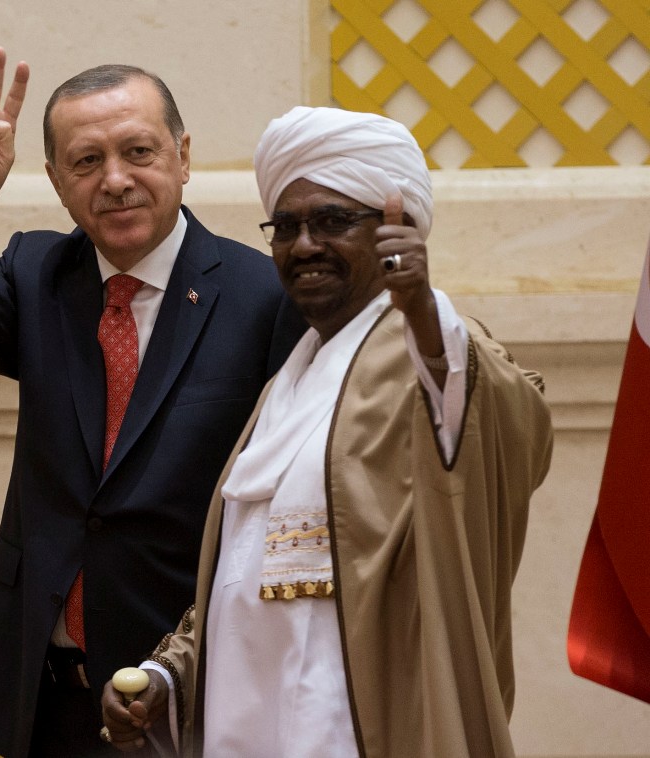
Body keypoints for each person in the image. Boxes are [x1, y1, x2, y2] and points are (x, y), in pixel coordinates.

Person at [0, 48, 304, 757]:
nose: (115, 180)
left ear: (183, 156)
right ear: (55, 180)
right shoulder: (36, 274)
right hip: (47, 698)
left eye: (138, 151)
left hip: (194, 694)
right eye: (86, 161)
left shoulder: (265, 297)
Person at [100, 106, 554, 757]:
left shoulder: (435, 355)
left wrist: (424, 313)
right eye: (286, 227)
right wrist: (169, 674)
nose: (305, 245)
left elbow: (512, 426)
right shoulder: (286, 385)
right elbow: (252, 577)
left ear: (396, 232)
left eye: (334, 221)